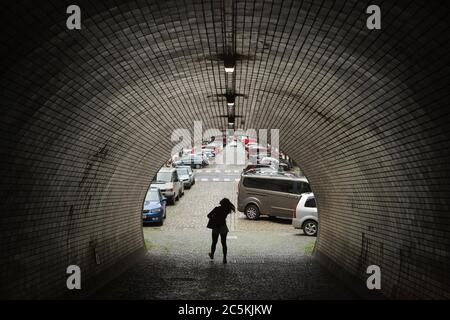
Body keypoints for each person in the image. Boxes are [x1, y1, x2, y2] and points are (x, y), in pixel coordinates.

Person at [207, 198, 235, 264]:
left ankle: (212, 255)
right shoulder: (227, 210)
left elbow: (208, 215)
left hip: (216, 227)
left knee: (214, 242)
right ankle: (224, 258)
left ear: (222, 203)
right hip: (223, 227)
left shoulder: (216, 209)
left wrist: (213, 218)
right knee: (224, 243)